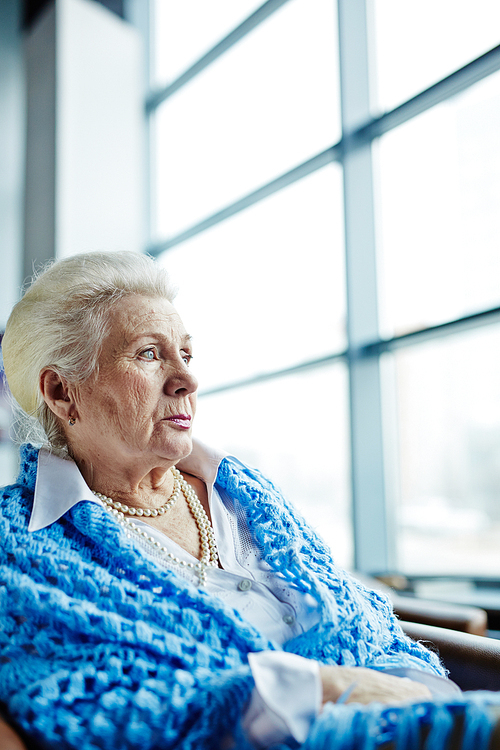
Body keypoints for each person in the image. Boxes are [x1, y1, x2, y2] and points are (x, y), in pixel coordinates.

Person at [0, 250, 498, 750]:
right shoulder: (17, 544)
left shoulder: (243, 491)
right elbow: (98, 707)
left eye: (187, 355)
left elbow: (371, 629)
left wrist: (422, 702)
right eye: (150, 354)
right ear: (63, 392)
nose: (187, 380)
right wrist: (327, 688)